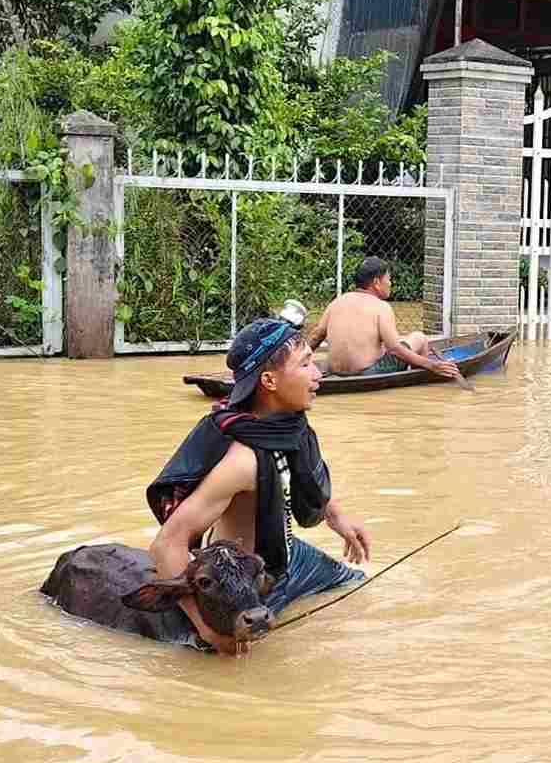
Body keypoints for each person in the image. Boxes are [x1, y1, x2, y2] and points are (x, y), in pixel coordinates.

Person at [145, 313, 373, 654]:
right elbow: (167, 545)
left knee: (358, 588)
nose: (317, 374)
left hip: (287, 557)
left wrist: (337, 517)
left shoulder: (285, 427)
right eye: (306, 364)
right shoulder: (243, 461)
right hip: (247, 584)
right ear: (269, 381)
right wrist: (208, 629)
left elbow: (295, 478)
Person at [307, 256, 460, 379]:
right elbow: (395, 350)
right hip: (366, 373)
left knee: (387, 344)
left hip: (335, 371)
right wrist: (431, 365)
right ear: (376, 282)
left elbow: (315, 337)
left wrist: (297, 362)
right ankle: (417, 379)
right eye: (388, 279)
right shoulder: (381, 307)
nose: (390, 283)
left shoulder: (337, 302)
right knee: (419, 337)